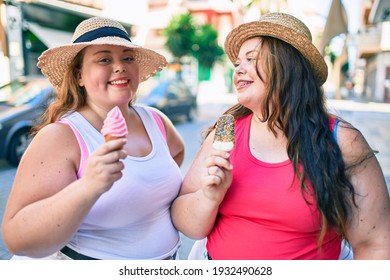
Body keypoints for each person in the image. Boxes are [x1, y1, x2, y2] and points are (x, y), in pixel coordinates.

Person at [171, 12, 390, 259]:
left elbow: (375, 244)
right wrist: (209, 197)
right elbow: (185, 223)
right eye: (237, 63)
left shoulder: (342, 141)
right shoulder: (226, 132)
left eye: (250, 59)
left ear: (287, 65)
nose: (238, 70)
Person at [2, 17, 185, 260]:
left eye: (128, 57)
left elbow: (177, 154)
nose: (119, 66)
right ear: (79, 76)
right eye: (104, 59)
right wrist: (89, 186)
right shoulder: (61, 136)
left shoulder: (156, 120)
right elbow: (16, 238)